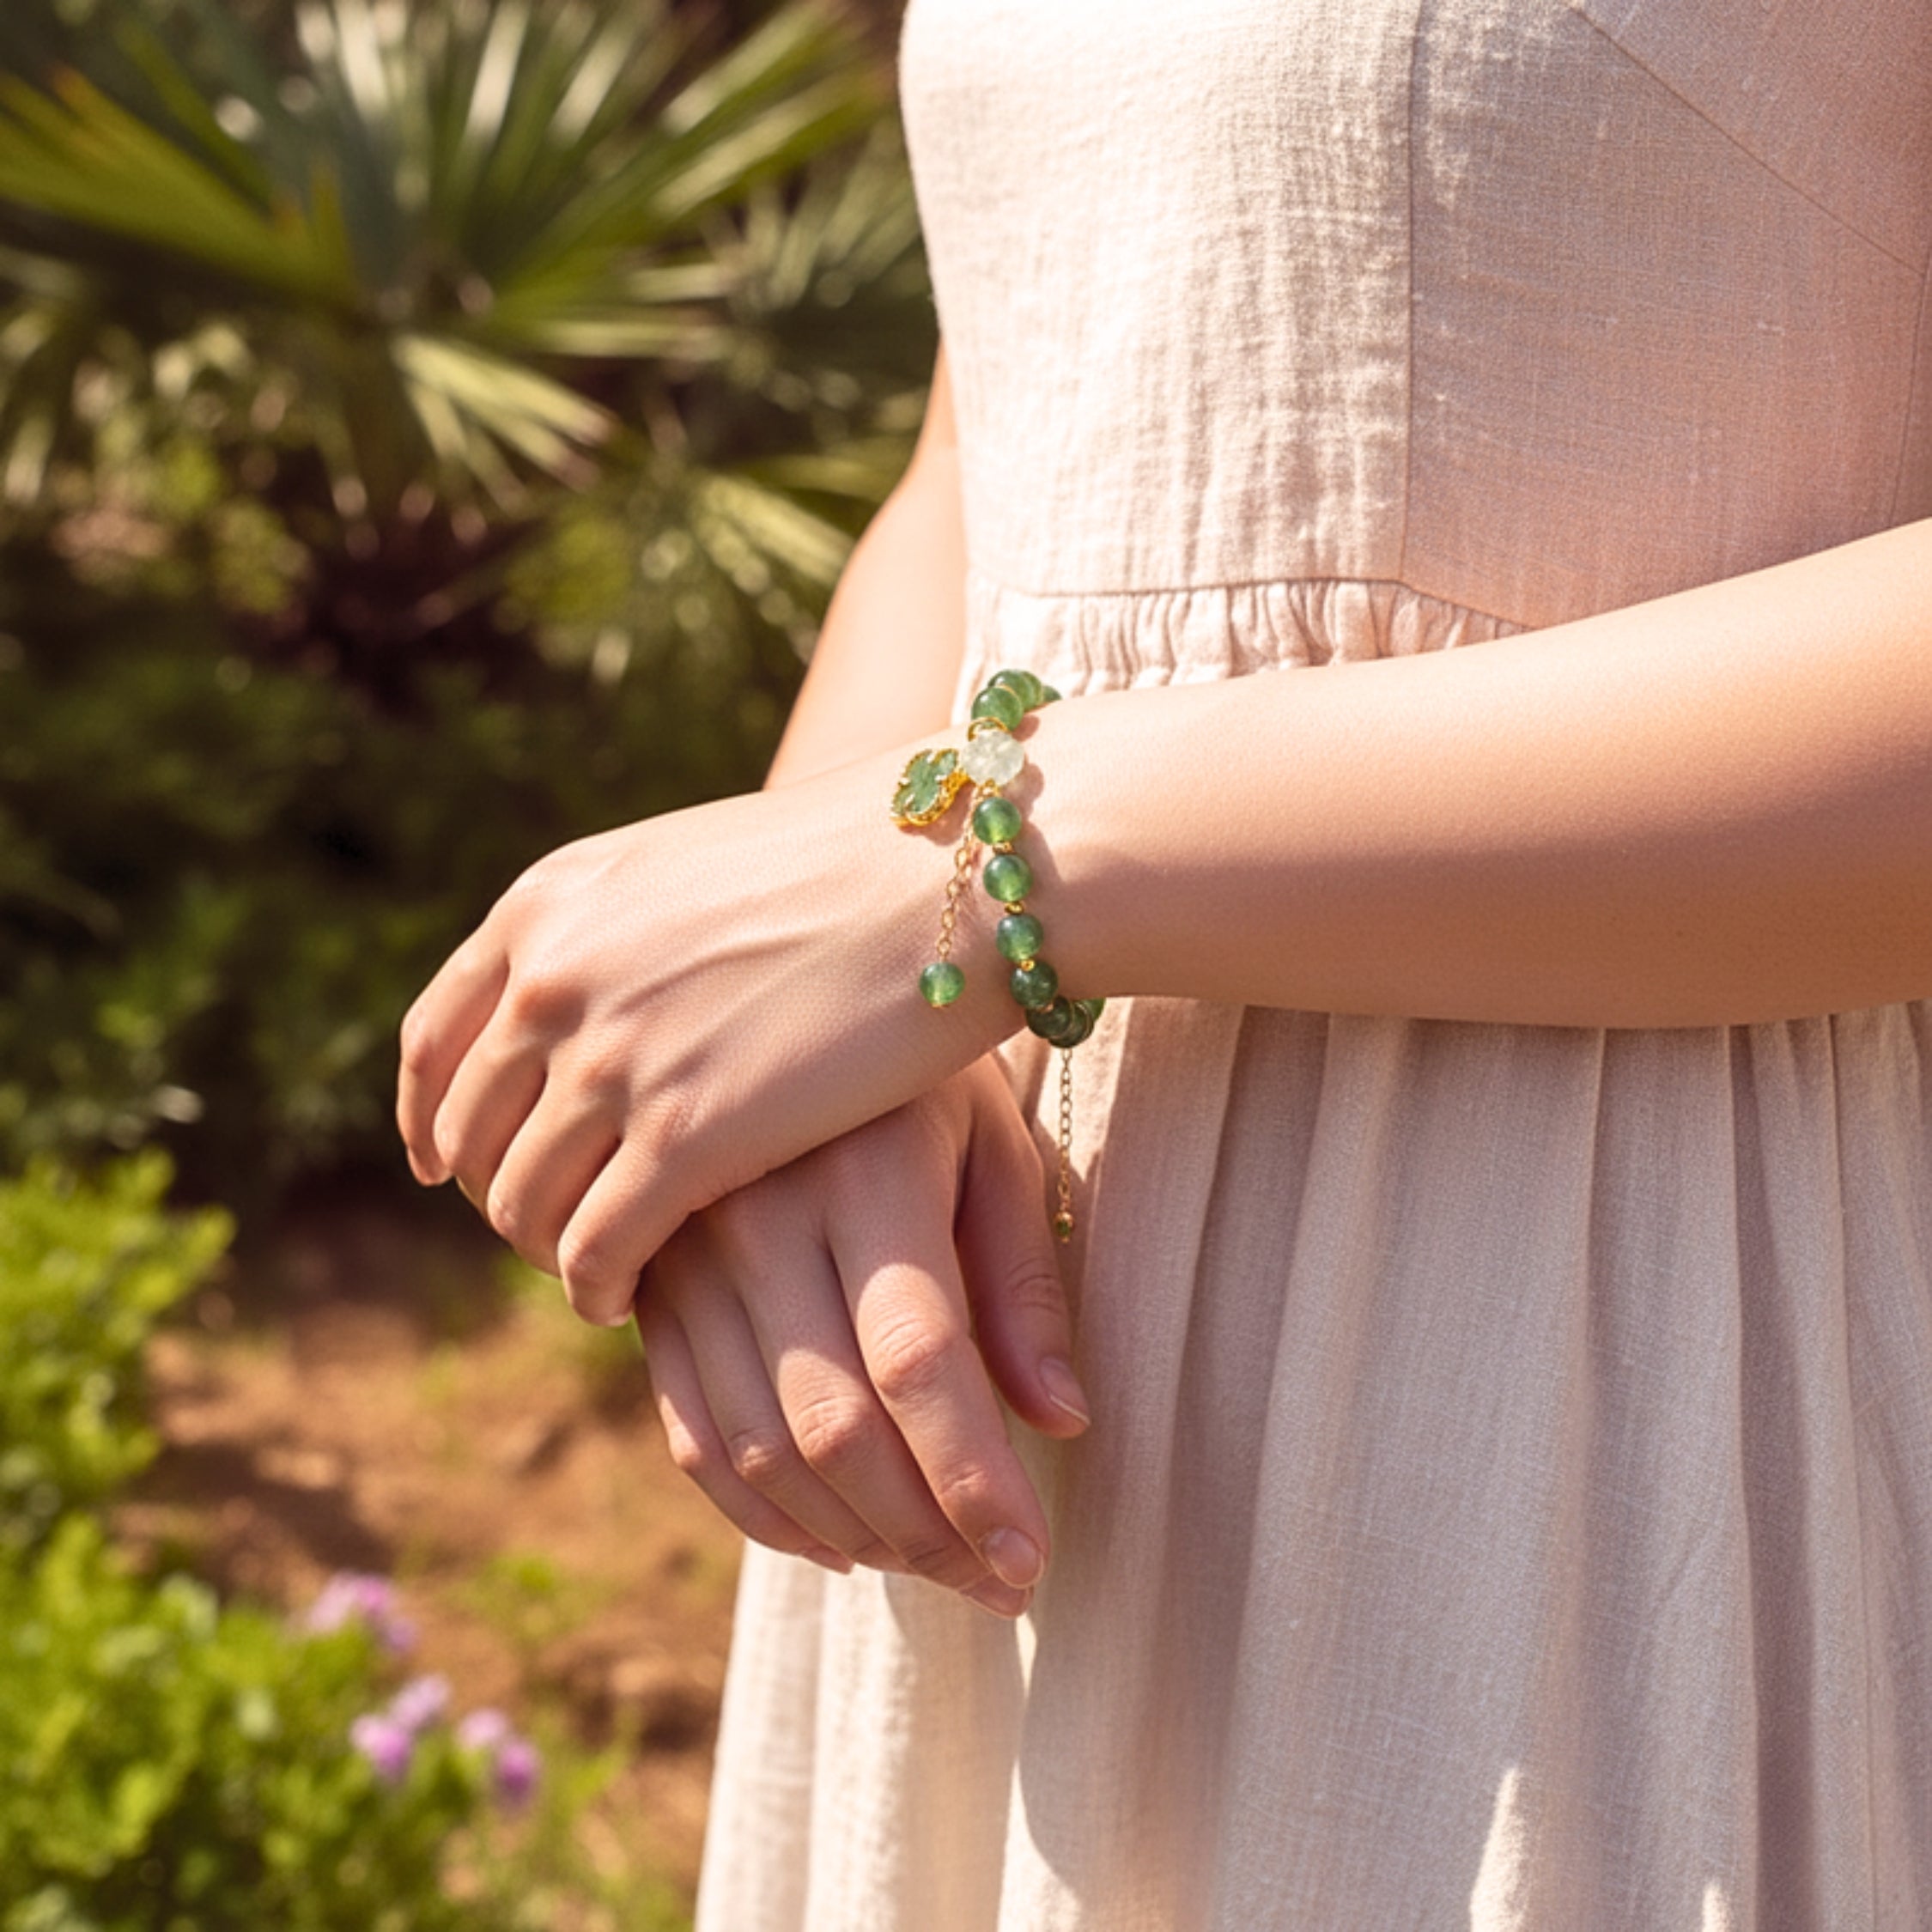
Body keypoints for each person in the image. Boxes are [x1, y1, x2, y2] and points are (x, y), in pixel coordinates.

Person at [398, 1, 1932, 1924]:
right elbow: (1017, 411)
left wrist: (987, 875)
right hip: (1026, 1384)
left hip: (1604, 1389)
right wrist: (826, 1057)